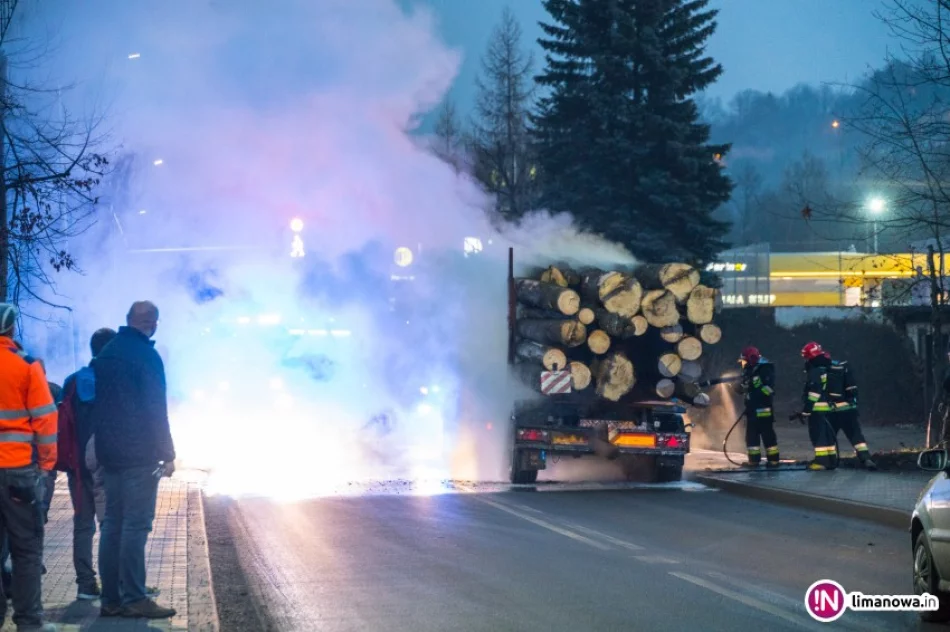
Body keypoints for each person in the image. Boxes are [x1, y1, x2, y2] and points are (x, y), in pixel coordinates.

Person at [91, 302, 176, 619]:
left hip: (109, 453)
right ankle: (134, 598)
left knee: (112, 524)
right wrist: (167, 453)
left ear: (128, 321)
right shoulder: (146, 356)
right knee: (135, 526)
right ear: (152, 324)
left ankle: (110, 600)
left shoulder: (107, 352)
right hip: (139, 454)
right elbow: (156, 408)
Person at [0, 303, 58, 631]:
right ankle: (29, 622)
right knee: (26, 551)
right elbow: (45, 420)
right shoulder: (26, 365)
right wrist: (47, 465)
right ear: (11, 330)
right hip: (18, 473)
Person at [59, 328, 116, 601]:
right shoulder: (115, 381)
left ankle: (85, 585)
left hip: (78, 468)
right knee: (113, 525)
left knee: (83, 526)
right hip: (109, 467)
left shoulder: (72, 382)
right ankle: (115, 584)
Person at [826, 351, 877, 470]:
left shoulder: (824, 371)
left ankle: (831, 462)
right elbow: (853, 390)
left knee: (829, 437)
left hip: (833, 411)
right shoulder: (844, 369)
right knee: (856, 436)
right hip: (849, 410)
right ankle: (866, 458)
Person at [735, 346, 780, 468]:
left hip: (763, 410)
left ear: (751, 358)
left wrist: (752, 392)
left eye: (744, 361)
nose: (743, 364)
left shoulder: (765, 369)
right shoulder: (750, 370)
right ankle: (754, 461)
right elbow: (747, 387)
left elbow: (768, 389)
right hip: (752, 410)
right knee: (751, 438)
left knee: (768, 437)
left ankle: (774, 461)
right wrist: (739, 388)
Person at [800, 341, 838, 471]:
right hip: (829, 408)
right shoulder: (827, 368)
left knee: (818, 435)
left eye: (806, 357)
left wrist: (806, 410)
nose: (805, 360)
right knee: (828, 436)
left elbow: (814, 392)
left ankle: (821, 462)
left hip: (817, 409)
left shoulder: (815, 371)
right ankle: (831, 461)